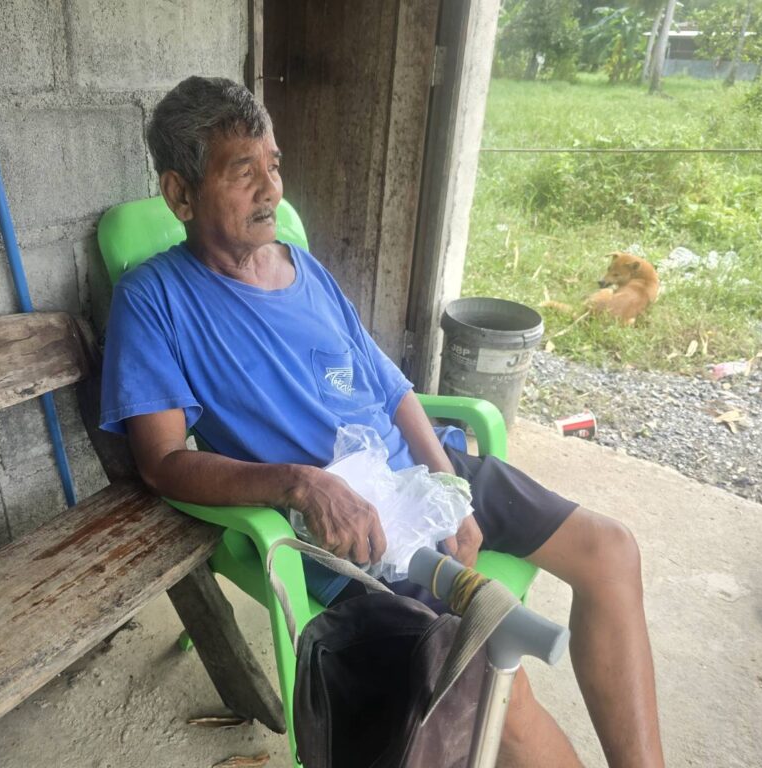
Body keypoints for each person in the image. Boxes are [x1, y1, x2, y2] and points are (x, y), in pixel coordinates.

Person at [101, 76, 665, 768]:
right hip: (355, 531)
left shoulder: (303, 268)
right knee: (491, 677)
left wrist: (449, 485)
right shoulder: (154, 299)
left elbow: (394, 391)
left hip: (425, 475)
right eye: (243, 172)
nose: (271, 190)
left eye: (274, 165)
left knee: (611, 549)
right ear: (180, 195)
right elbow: (161, 462)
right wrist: (302, 484)